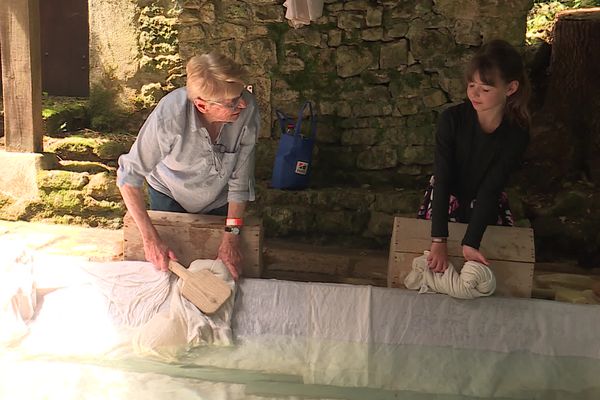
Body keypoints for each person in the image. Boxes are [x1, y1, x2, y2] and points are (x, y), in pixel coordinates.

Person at [117, 52, 260, 280]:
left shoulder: (246, 109)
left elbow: (240, 183)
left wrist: (231, 237)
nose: (242, 103)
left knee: (223, 275)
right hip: (169, 193)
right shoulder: (170, 116)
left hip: (219, 199)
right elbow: (128, 176)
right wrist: (150, 239)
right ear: (203, 105)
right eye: (232, 102)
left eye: (242, 93)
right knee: (164, 273)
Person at [417, 39, 530, 273]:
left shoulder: (516, 133)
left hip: (486, 202)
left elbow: (492, 188)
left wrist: (471, 242)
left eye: (486, 89)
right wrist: (439, 239)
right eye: (471, 85)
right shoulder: (452, 120)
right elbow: (442, 178)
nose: (475, 94)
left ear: (510, 88)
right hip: (445, 196)